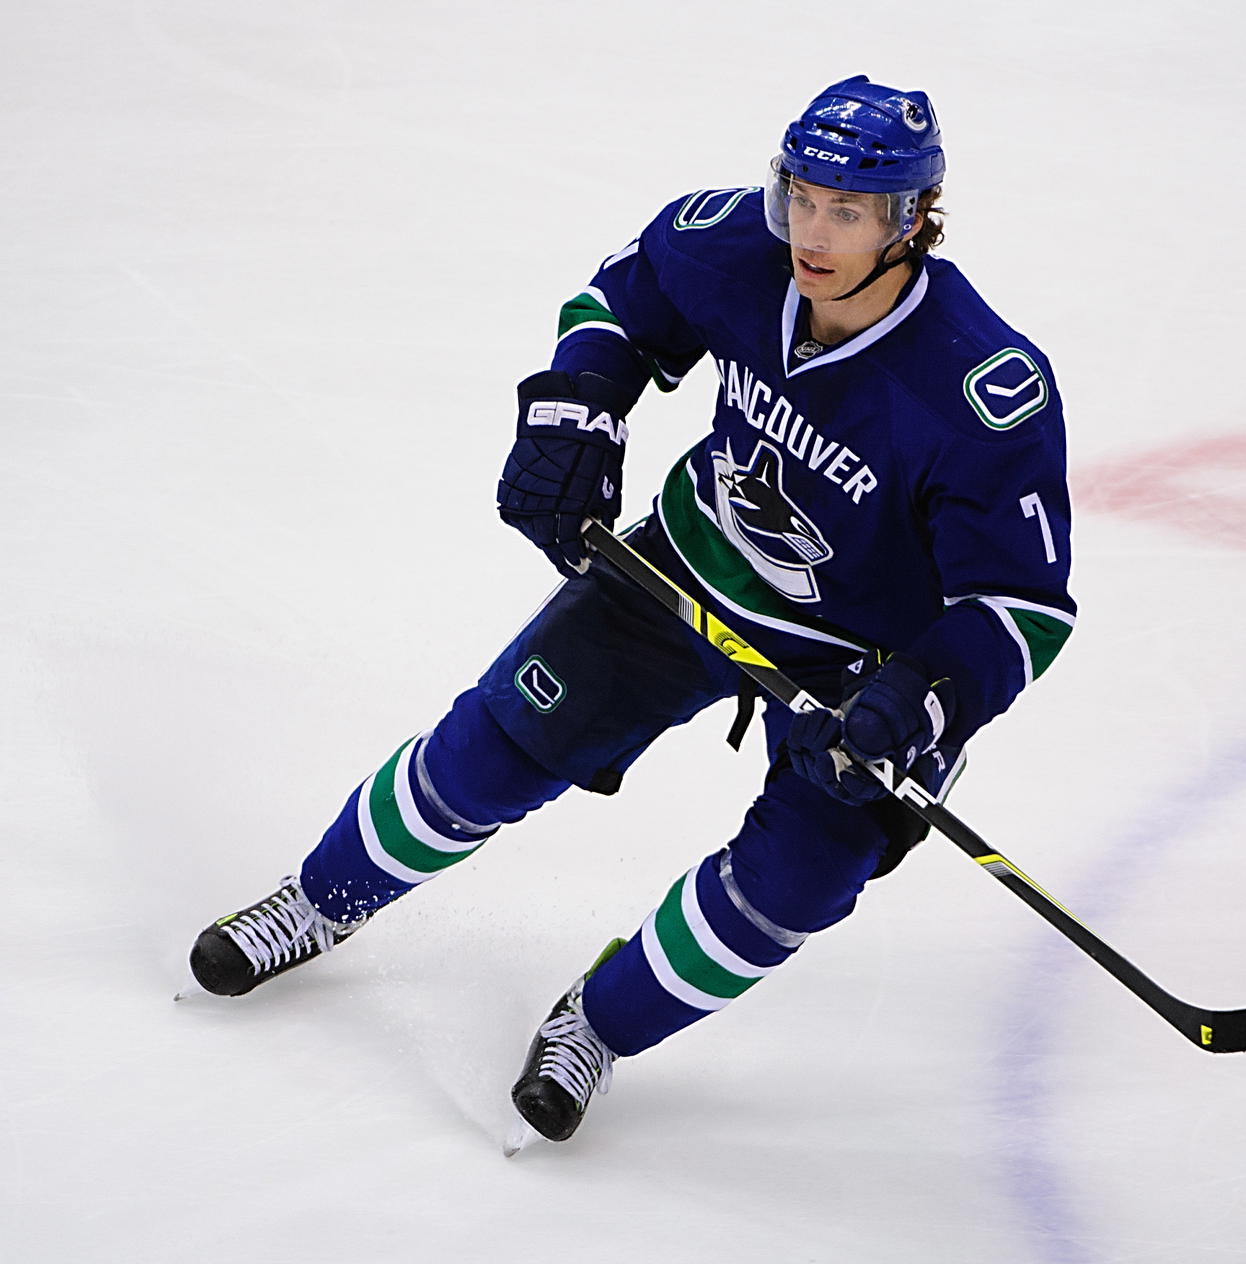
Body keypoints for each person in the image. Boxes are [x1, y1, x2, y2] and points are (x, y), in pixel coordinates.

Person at [187, 75, 1078, 1144]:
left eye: (847, 211)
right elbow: (623, 296)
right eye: (800, 196)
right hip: (690, 568)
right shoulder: (737, 246)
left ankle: (597, 1028)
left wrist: (923, 696)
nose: (811, 232)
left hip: (858, 668)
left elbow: (1020, 605)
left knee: (795, 884)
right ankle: (318, 900)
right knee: (493, 750)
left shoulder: (982, 389)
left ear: (913, 219)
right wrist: (577, 410)